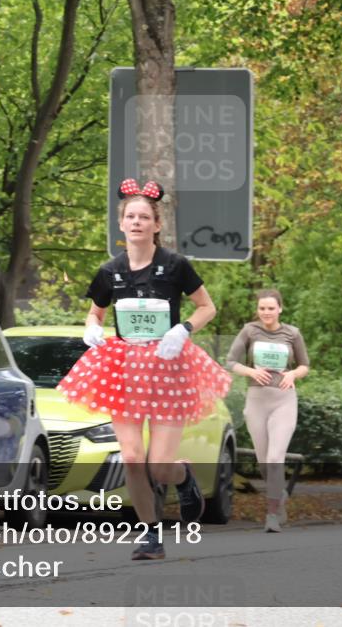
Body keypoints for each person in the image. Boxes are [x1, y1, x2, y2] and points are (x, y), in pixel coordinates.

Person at [57, 178, 231, 560]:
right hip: (124, 369)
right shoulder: (109, 270)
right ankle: (150, 535)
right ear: (121, 224)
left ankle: (181, 478)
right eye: (130, 216)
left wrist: (182, 330)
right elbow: (96, 310)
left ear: (156, 225)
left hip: (169, 367)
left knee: (159, 465)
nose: (136, 222)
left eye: (144, 217)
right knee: (133, 458)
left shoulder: (175, 266)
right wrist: (91, 327)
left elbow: (207, 307)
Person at [226, 289, 309, 533]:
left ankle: (272, 514)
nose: (266, 312)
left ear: (280, 309)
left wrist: (293, 373)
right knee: (264, 461)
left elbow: (305, 365)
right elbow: (231, 361)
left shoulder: (292, 333)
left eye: (271, 308)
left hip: (283, 400)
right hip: (256, 400)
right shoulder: (250, 330)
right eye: (262, 308)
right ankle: (279, 492)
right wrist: (251, 372)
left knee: (275, 458)